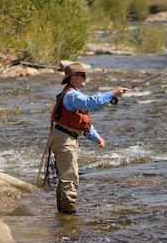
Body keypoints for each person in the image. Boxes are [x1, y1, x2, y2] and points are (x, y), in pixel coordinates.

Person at [48, 62, 130, 215]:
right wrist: (112, 93)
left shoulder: (71, 94)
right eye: (83, 75)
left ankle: (62, 215)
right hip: (65, 140)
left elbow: (80, 120)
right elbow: (89, 103)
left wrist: (96, 137)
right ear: (73, 78)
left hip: (64, 137)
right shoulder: (72, 95)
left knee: (65, 176)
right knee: (69, 178)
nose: (86, 78)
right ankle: (69, 217)